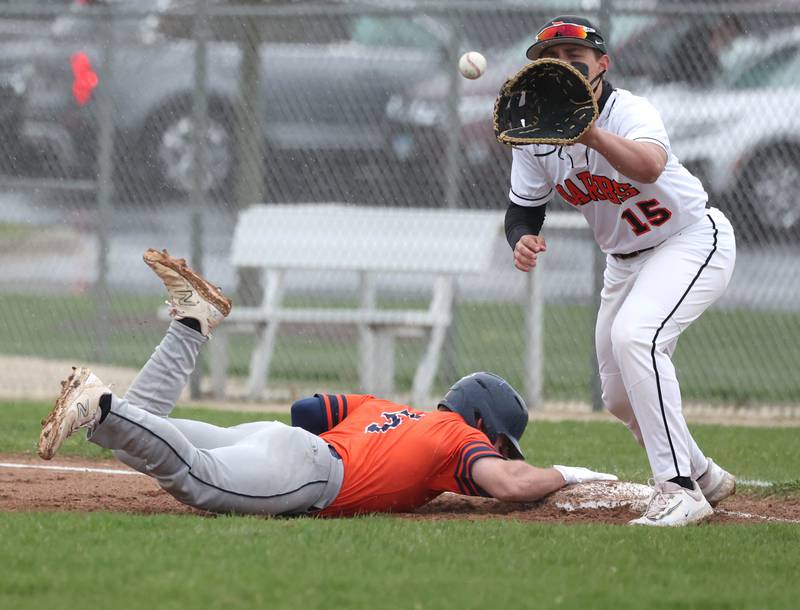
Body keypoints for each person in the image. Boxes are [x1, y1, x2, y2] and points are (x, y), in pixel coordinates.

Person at [37, 248, 616, 517]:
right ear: (483, 423)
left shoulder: (387, 408)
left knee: (152, 434)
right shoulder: (457, 439)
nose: (496, 452)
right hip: (311, 474)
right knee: (196, 480)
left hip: (282, 442)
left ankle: (192, 324)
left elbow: (304, 410)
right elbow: (511, 484)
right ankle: (100, 405)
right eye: (499, 440)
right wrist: (570, 473)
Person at [503, 16, 738, 527]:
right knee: (616, 394)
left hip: (689, 238)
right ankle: (705, 476)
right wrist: (520, 237)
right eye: (551, 60)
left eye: (575, 58)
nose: (562, 67)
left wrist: (589, 134)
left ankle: (679, 488)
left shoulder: (629, 110)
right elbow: (524, 208)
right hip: (624, 261)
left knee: (638, 338)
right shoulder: (534, 133)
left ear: (602, 65)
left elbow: (650, 167)